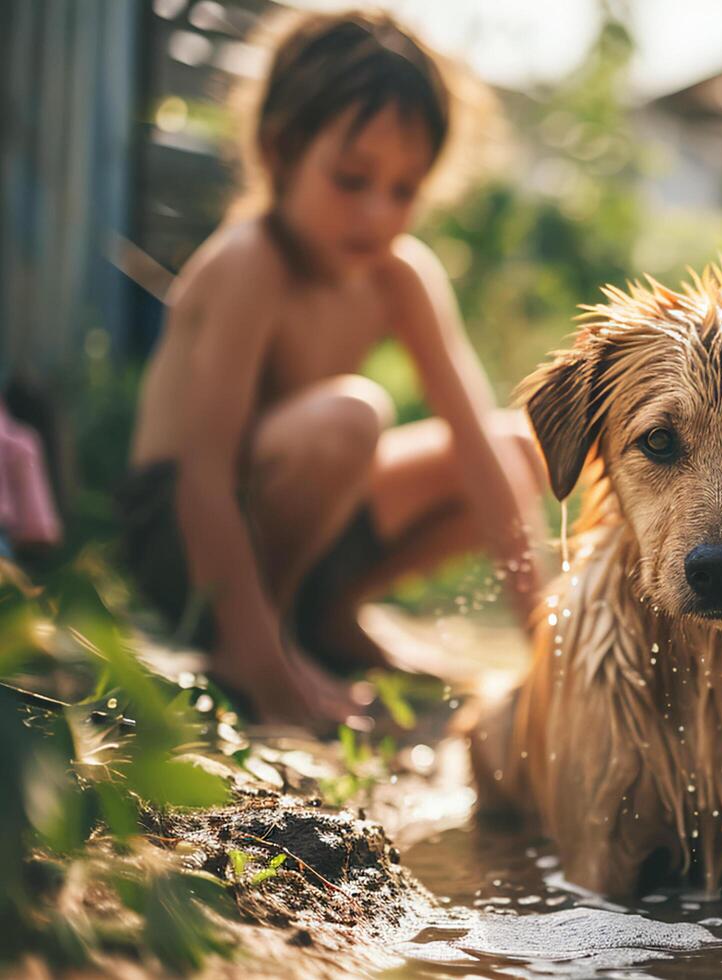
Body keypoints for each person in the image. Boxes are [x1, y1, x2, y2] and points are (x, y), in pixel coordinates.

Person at [120, 10, 548, 725]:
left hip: (303, 526)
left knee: (516, 450)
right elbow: (201, 481)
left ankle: (329, 619)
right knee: (351, 415)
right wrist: (265, 671)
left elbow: (476, 448)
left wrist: (545, 640)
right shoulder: (248, 263)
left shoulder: (398, 275)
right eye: (352, 180)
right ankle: (261, 648)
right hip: (186, 543)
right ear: (281, 151)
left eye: (404, 190)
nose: (378, 214)